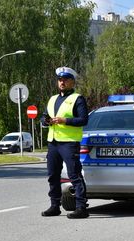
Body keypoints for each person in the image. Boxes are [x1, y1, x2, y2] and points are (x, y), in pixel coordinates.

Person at [40, 66, 89, 219]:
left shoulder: (77, 99)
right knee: (52, 175)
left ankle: (81, 207)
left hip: (69, 142)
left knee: (74, 175)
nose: (62, 82)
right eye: (60, 80)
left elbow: (84, 120)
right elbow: (44, 117)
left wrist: (64, 120)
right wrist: (46, 121)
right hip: (53, 142)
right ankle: (55, 205)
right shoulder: (53, 99)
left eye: (65, 80)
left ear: (72, 82)